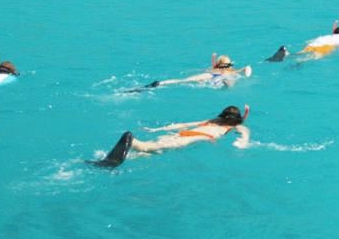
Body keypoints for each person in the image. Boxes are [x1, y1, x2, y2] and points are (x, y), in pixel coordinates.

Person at [91, 105, 250, 168]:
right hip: (190, 138)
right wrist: (242, 143)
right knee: (146, 147)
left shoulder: (212, 120)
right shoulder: (235, 126)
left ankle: (103, 162)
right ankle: (131, 139)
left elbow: (183, 125)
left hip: (179, 134)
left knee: (148, 153)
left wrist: (157, 129)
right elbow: (244, 133)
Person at [125, 53, 252, 92]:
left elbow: (204, 70)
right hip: (222, 78)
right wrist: (246, 70)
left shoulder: (212, 69)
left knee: (183, 81)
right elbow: (245, 69)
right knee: (228, 83)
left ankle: (161, 83)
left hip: (209, 75)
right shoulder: (232, 71)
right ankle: (225, 84)